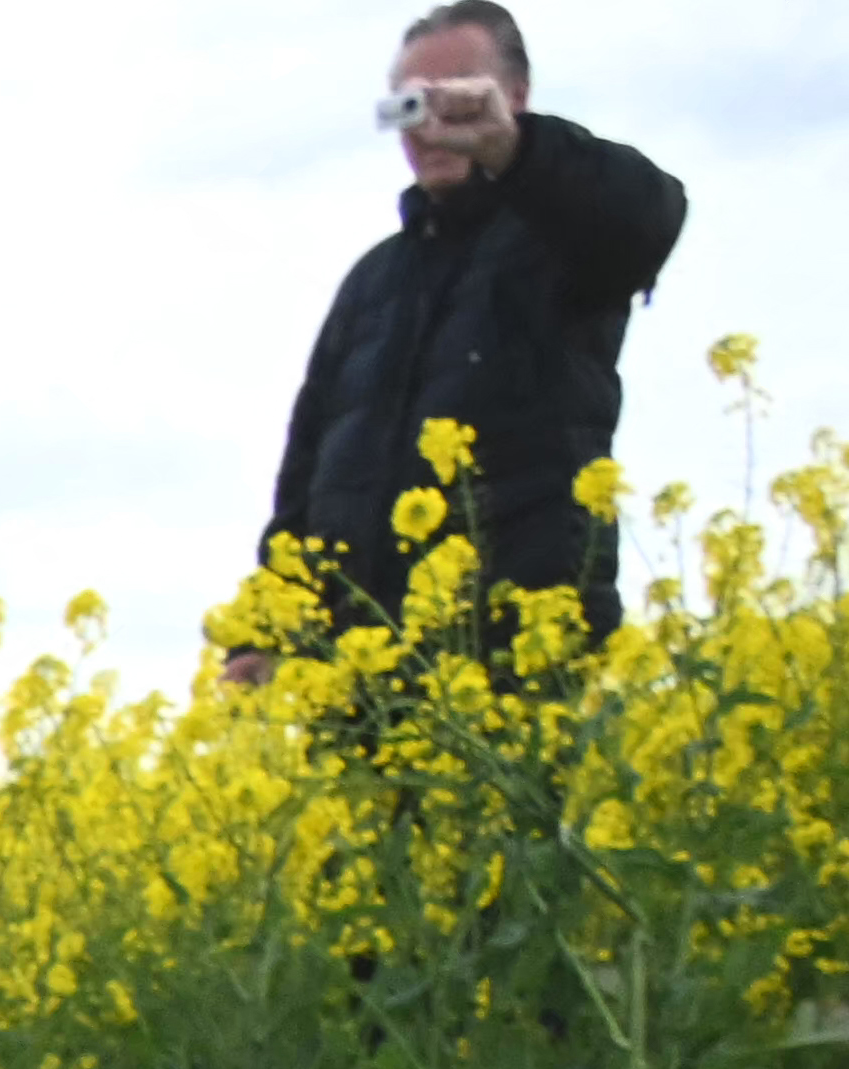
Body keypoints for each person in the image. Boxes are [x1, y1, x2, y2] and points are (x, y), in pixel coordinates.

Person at [243, 10, 685, 675]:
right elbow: (308, 472)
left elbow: (647, 217)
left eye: (458, 95)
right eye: (412, 103)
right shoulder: (372, 282)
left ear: (516, 96)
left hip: (517, 662)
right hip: (359, 687)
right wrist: (263, 632)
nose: (433, 122)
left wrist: (516, 151)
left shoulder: (561, 240)